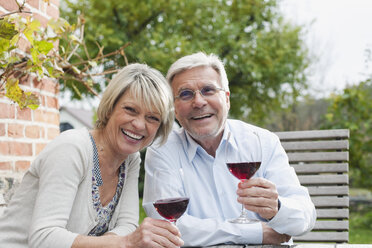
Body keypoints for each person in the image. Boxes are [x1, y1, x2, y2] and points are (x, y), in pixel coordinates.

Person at [0, 63, 184, 248]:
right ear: (111, 107)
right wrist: (124, 243)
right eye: (130, 110)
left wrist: (119, 242)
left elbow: (127, 225)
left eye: (152, 118)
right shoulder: (72, 148)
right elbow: (44, 238)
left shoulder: (130, 159)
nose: (138, 124)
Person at [143, 52, 316, 246]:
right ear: (174, 108)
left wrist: (277, 207)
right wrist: (254, 232)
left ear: (226, 99)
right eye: (185, 94)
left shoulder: (262, 142)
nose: (199, 102)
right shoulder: (162, 150)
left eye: (208, 90)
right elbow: (168, 228)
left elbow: (305, 217)